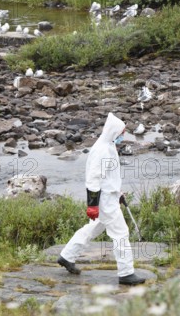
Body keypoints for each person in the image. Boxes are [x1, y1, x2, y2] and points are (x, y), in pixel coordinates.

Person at [57, 112, 146, 285]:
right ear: (114, 131)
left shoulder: (109, 145)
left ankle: (67, 256)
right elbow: (93, 178)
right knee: (121, 233)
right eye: (121, 132)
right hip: (104, 201)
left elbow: (108, 177)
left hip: (109, 197)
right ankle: (126, 273)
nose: (122, 136)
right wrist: (92, 205)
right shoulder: (102, 150)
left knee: (93, 228)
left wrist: (117, 193)